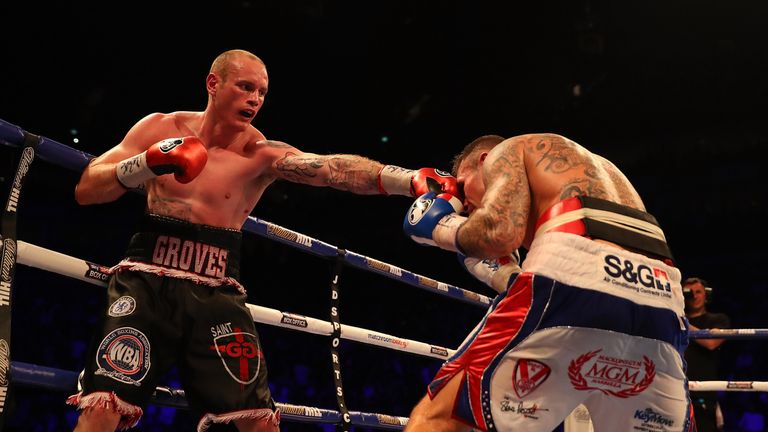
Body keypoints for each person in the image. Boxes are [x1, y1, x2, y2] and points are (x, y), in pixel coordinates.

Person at [70, 49, 458, 432]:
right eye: (244, 87)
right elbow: (87, 188)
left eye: (261, 92)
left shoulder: (260, 153)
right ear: (213, 84)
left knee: (259, 420)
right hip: (146, 280)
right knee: (102, 407)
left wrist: (404, 179)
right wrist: (145, 163)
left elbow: (331, 169)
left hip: (216, 290)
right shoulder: (158, 129)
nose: (254, 99)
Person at [401, 134, 693, 431]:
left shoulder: (509, 149)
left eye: (463, 187)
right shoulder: (602, 173)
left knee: (439, 418)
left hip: (575, 274)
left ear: (484, 161)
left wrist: (441, 226)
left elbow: (498, 233)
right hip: (661, 295)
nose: (466, 204)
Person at [683, 277, 730, 432]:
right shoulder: (674, 321)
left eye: (698, 292)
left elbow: (712, 343)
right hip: (677, 387)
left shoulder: (718, 319)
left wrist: (684, 324)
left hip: (704, 391)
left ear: (706, 295)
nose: (695, 296)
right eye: (689, 293)